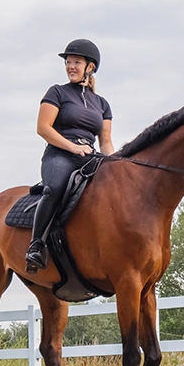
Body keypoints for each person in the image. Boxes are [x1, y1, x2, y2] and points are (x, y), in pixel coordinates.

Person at [26, 38, 114, 273]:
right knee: (54, 188)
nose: (70, 67)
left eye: (76, 62)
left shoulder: (102, 104)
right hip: (60, 155)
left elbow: (105, 141)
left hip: (91, 158)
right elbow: (43, 128)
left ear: (90, 67)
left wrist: (114, 164)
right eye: (68, 62)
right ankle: (36, 245)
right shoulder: (57, 92)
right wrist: (73, 147)